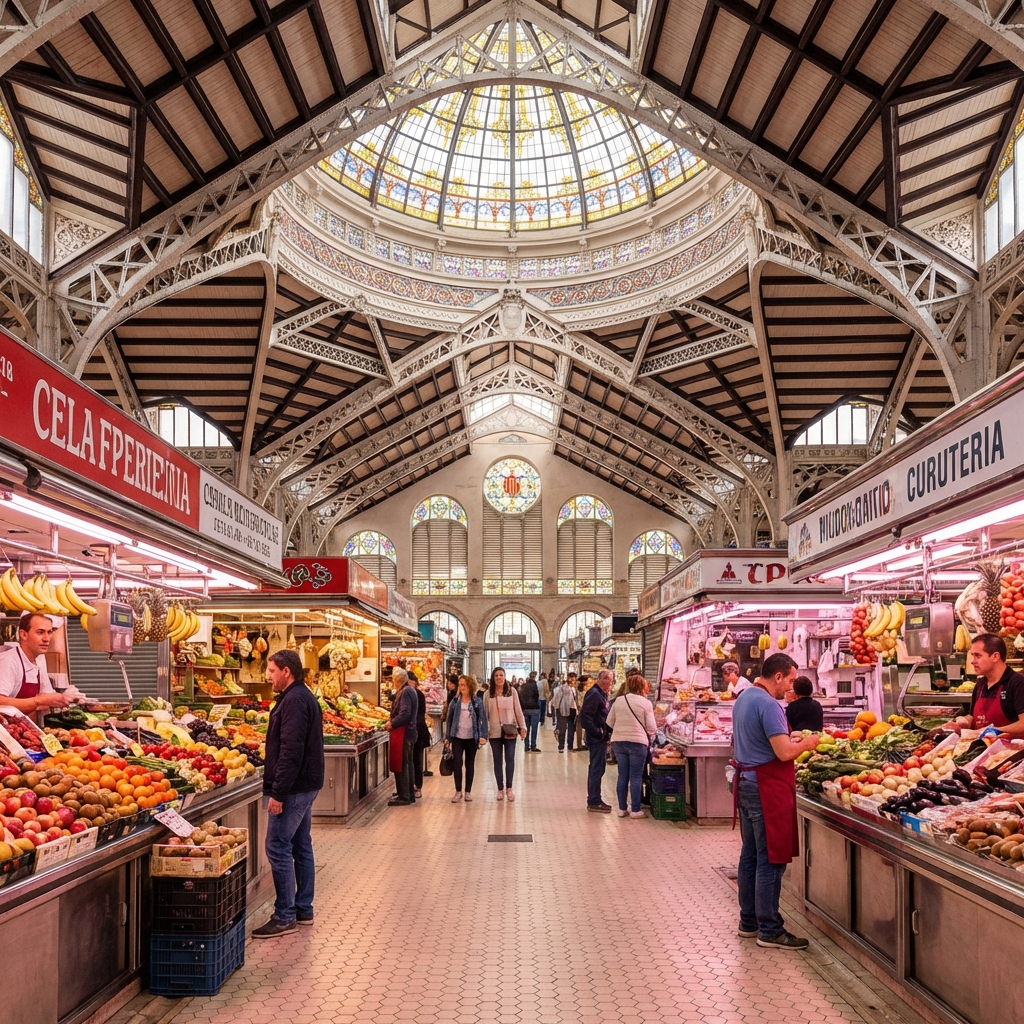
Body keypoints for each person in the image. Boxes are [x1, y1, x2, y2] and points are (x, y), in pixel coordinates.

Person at [731, 653, 820, 950]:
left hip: (746, 783)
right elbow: (783, 753)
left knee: (750, 855)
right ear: (778, 676)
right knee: (771, 859)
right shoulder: (769, 704)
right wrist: (807, 743)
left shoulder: (744, 697)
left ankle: (748, 922)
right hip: (765, 789)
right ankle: (770, 929)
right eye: (790, 680)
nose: (791, 687)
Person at [253, 649, 325, 938]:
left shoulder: (294, 700)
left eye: (271, 671)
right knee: (301, 845)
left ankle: (285, 916)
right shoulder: (300, 696)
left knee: (277, 846)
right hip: (305, 784)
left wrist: (279, 793)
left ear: (286, 671)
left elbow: (291, 750)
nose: (268, 676)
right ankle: (303, 909)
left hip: (294, 788)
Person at [607, 674, 657, 817]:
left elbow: (609, 721)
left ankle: (622, 809)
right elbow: (652, 727)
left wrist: (621, 728)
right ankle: (635, 810)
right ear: (642, 687)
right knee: (635, 777)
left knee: (622, 775)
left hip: (619, 742)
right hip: (638, 743)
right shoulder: (645, 703)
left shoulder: (618, 700)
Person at [0, 613, 73, 713]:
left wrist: (65, 698)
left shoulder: (39, 659)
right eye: (40, 632)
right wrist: (37, 701)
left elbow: (46, 695)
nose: (46, 639)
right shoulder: (8, 660)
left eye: (49, 632)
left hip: (26, 722)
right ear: (23, 634)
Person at [955, 633, 1024, 735]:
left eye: (978, 656)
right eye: (972, 655)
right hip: (980, 744)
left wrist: (994, 731)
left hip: (1009, 745)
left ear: (995, 656)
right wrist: (966, 721)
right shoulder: (980, 684)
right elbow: (975, 717)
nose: (972, 661)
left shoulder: (1018, 683)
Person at [484, 667, 526, 801]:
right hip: (494, 731)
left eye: (501, 675)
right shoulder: (488, 694)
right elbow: (484, 715)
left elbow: (518, 710)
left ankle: (509, 788)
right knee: (497, 760)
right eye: (496, 675)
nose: (499, 678)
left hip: (510, 730)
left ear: (505, 676)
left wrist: (522, 727)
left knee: (510, 759)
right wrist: (484, 731)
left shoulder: (511, 691)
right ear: (493, 677)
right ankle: (500, 789)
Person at [445, 675, 487, 802]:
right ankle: (458, 791)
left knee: (470, 763)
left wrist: (483, 736)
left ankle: (468, 791)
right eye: (460, 685)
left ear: (470, 686)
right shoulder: (455, 701)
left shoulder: (477, 702)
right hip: (457, 737)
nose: (461, 687)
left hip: (472, 738)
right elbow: (449, 719)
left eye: (464, 685)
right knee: (457, 763)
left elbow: (483, 719)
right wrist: (448, 738)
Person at [580, 669, 613, 813]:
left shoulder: (601, 694)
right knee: (596, 768)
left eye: (611, 681)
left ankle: (595, 799)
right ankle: (594, 800)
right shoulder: (594, 694)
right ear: (602, 679)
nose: (610, 684)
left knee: (599, 768)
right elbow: (585, 717)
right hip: (596, 739)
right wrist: (598, 732)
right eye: (609, 680)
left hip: (600, 738)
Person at [384, 668, 418, 806]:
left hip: (404, 733)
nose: (392, 681)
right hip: (410, 732)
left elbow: (405, 713)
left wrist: (392, 723)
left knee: (403, 764)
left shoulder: (405, 692)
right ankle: (408, 793)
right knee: (407, 763)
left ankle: (404, 796)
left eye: (393, 679)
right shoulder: (409, 690)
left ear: (397, 680)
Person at [412, 677, 431, 797]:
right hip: (412, 731)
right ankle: (412, 787)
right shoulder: (406, 693)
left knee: (417, 760)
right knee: (412, 761)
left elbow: (419, 715)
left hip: (418, 732)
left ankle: (417, 787)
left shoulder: (418, 695)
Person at [552, 673, 579, 751]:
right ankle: (561, 746)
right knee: (562, 728)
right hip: (563, 709)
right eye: (571, 678)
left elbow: (575, 700)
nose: (572, 681)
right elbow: (557, 700)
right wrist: (557, 709)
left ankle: (570, 746)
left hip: (572, 710)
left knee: (571, 729)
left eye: (574, 679)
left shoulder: (574, 689)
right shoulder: (562, 688)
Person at [519, 672, 541, 752]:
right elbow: (537, 696)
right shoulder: (536, 685)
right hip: (534, 709)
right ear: (534, 677)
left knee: (526, 728)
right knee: (534, 729)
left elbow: (521, 697)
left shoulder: (523, 686)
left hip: (525, 710)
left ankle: (526, 746)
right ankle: (533, 746)